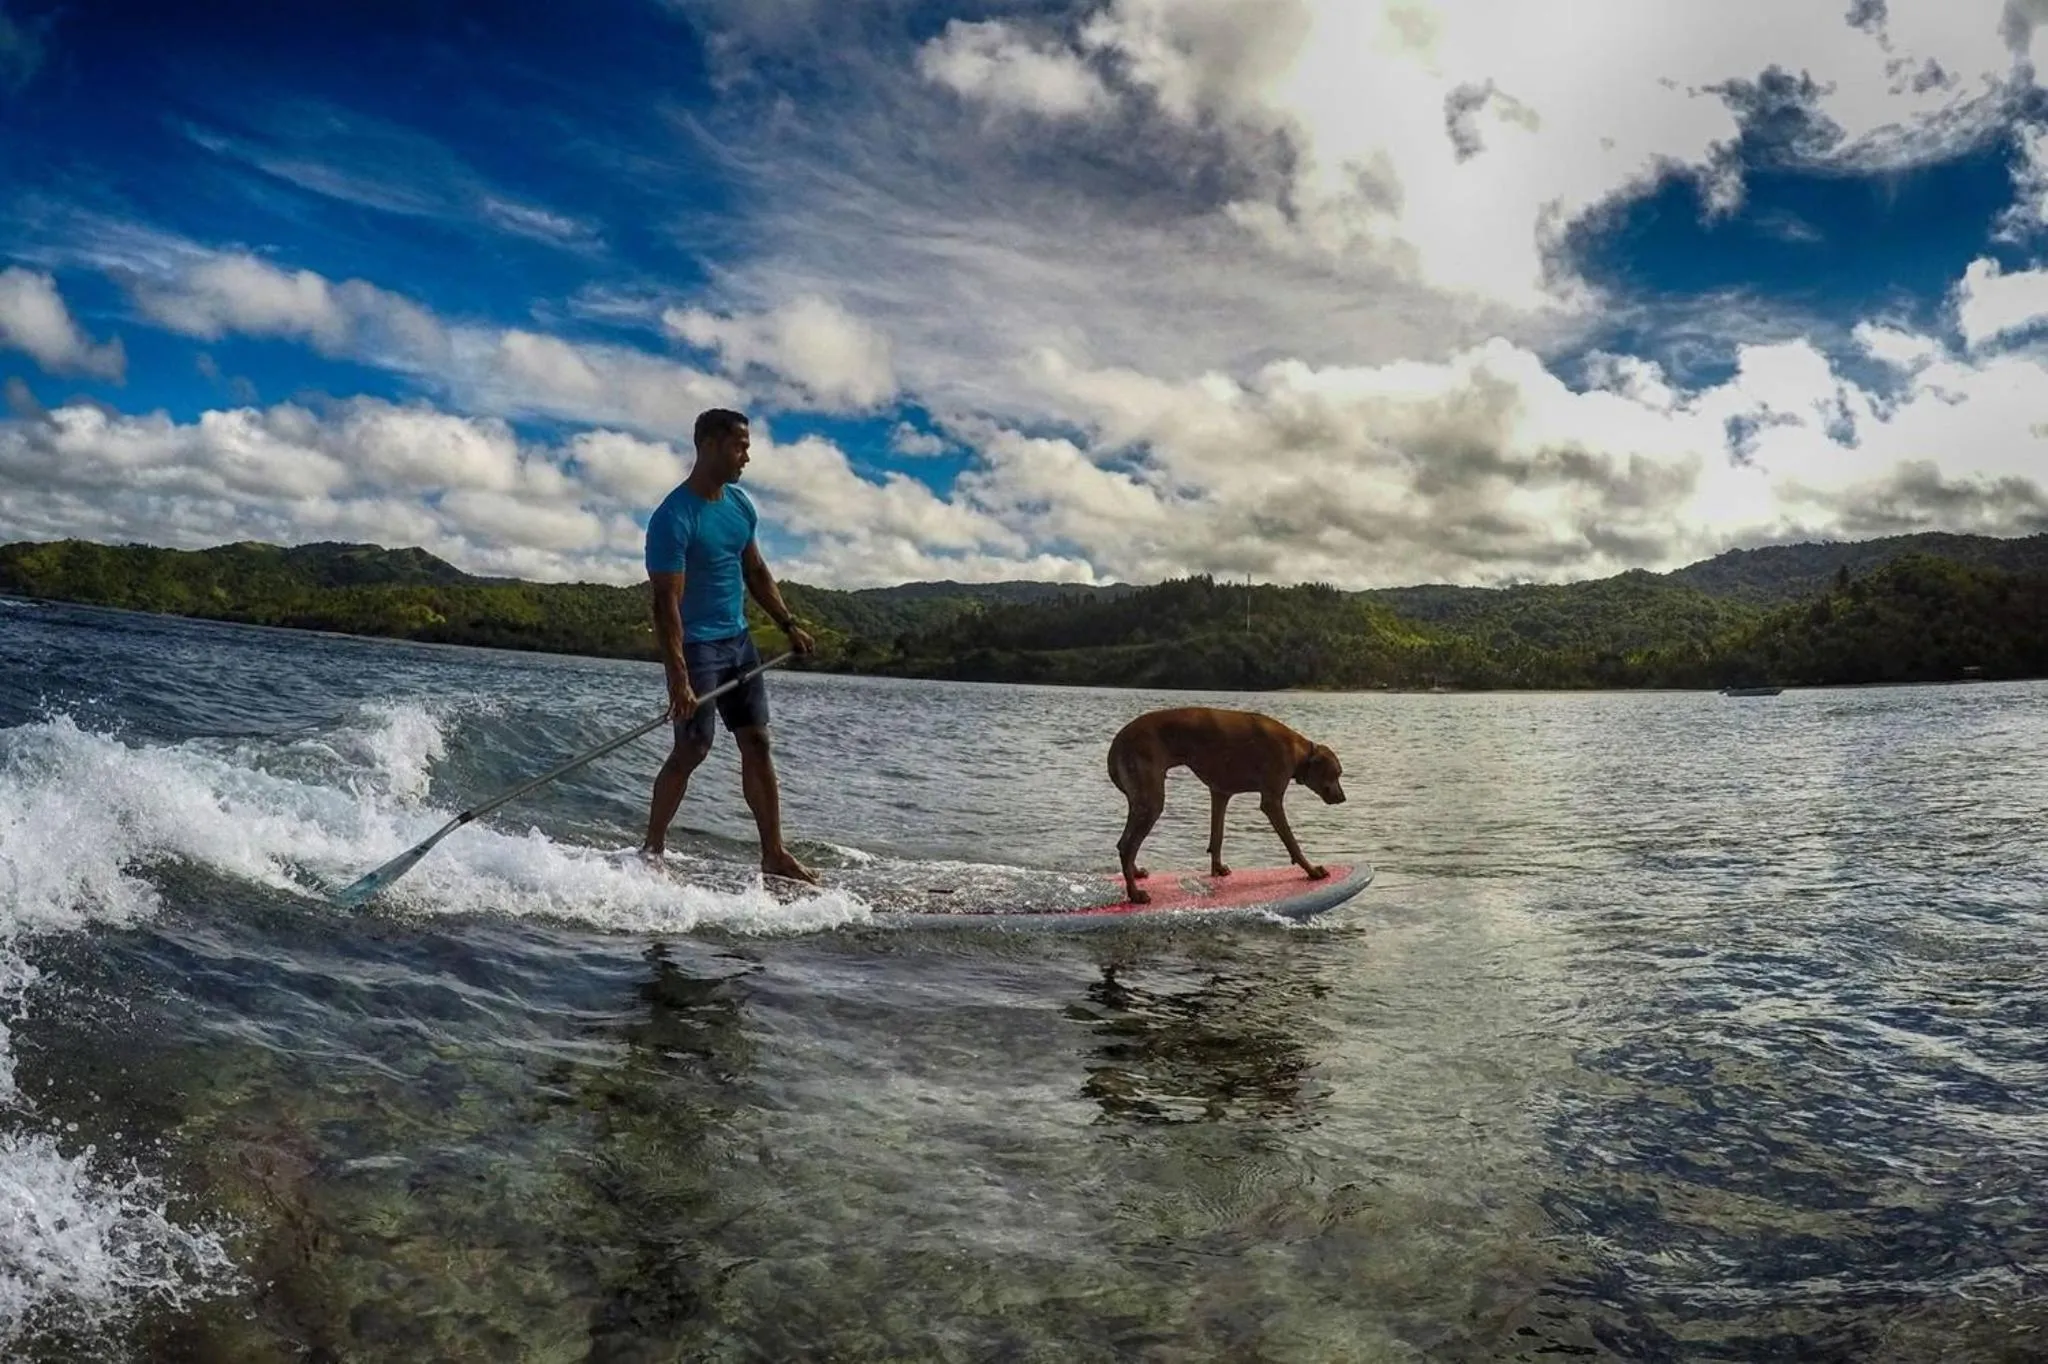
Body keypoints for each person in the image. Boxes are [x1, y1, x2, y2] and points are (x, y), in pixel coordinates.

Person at [640, 407, 818, 884]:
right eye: (740, 445)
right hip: (697, 649)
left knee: (757, 742)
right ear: (710, 444)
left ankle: (773, 854)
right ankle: (652, 851)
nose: (747, 455)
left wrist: (788, 624)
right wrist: (678, 679)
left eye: (747, 445)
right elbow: (665, 606)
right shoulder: (673, 517)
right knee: (693, 747)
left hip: (738, 642)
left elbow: (755, 571)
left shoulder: (740, 506)